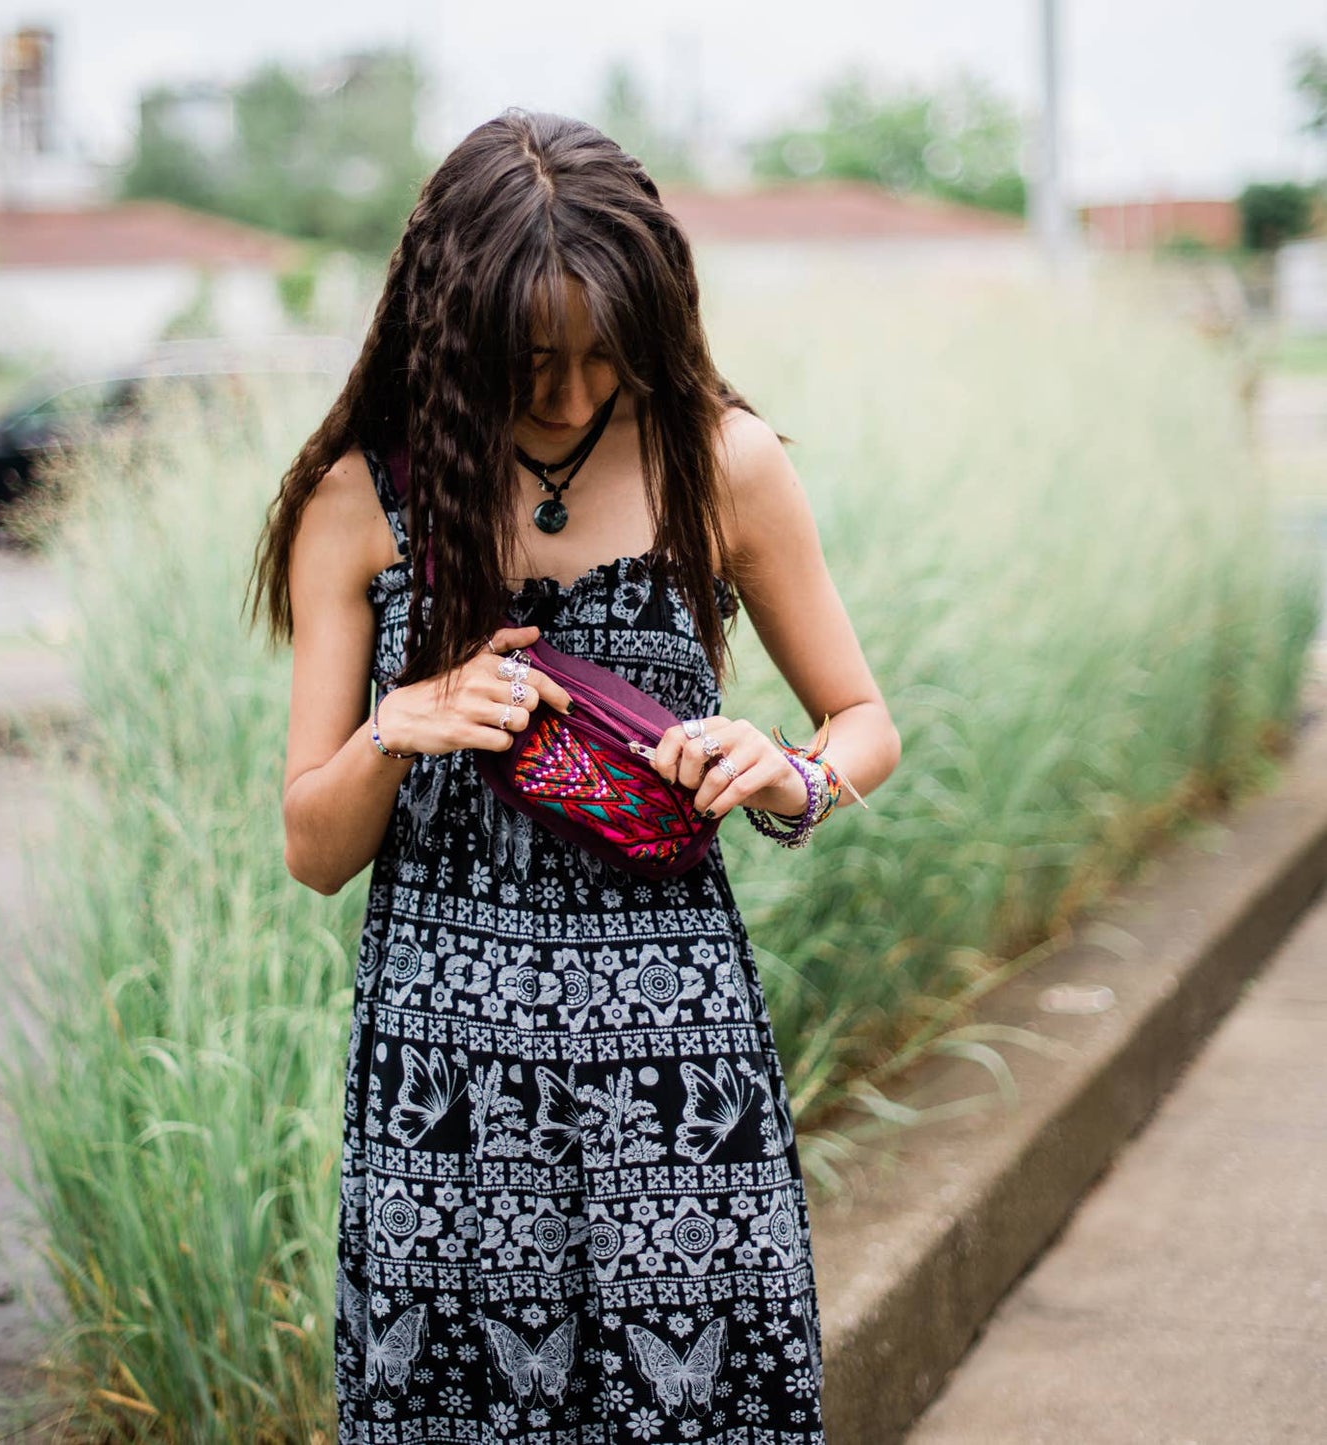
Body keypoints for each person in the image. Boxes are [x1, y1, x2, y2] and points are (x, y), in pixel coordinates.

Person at [247, 108, 900, 1445]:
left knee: (705, 1407)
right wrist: (400, 723)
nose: (564, 391)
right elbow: (312, 848)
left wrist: (785, 771)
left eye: (600, 353)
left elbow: (861, 717)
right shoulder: (358, 501)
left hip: (676, 1058)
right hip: (444, 1084)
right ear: (455, 325)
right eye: (528, 359)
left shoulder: (723, 462)